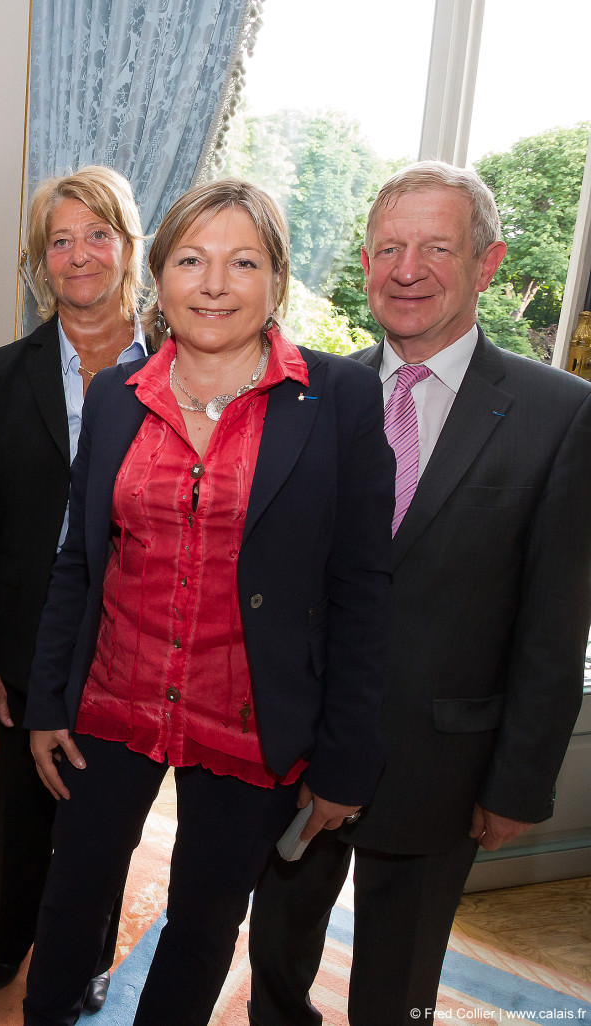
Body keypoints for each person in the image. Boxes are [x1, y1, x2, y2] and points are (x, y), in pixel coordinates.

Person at [21, 179, 394, 1026]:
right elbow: (77, 565)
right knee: (71, 901)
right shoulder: (117, 398)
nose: (214, 283)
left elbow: (362, 590)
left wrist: (344, 758)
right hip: (113, 701)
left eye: (242, 262)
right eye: (191, 260)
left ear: (277, 282)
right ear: (158, 277)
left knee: (201, 925)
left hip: (249, 715)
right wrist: (49, 701)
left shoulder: (337, 401)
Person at [249, 161, 591, 1025]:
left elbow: (555, 624)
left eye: (438, 247)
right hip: (302, 747)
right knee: (277, 950)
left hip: (444, 763)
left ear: (489, 262)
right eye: (389, 248)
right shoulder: (314, 396)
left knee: (397, 985)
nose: (408, 269)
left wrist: (519, 782)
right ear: (364, 265)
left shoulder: (562, 416)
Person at [0, 165, 146, 1006]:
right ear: (40, 262)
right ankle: (5, 939)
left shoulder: (180, 369)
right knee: (19, 813)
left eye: (97, 234)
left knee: (103, 829)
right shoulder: (7, 370)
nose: (79, 255)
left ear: (128, 246)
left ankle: (89, 954)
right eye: (59, 240)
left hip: (131, 651)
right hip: (27, 642)